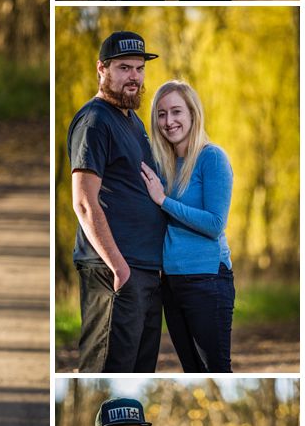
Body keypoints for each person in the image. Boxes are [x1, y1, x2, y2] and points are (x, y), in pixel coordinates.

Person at [67, 31, 165, 372]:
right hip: (113, 272)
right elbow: (83, 201)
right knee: (107, 367)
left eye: (139, 69)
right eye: (124, 68)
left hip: (145, 274)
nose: (134, 77)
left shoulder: (134, 123)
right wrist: (119, 268)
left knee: (139, 370)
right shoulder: (95, 121)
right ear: (101, 69)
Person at [140, 81, 235, 371]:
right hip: (171, 283)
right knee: (191, 371)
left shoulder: (212, 158)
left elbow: (214, 224)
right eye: (161, 114)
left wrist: (163, 200)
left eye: (177, 112)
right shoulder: (164, 164)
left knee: (216, 369)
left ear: (193, 114)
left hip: (207, 281)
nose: (169, 121)